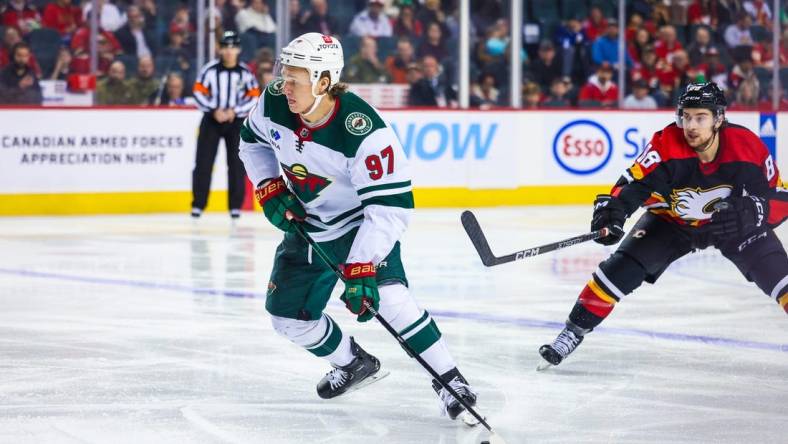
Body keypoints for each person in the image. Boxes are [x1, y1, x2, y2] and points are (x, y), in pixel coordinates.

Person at [237, 32, 478, 420]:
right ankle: (353, 363)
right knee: (288, 318)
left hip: (359, 227)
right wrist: (268, 184)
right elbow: (251, 140)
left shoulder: (364, 130)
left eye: (296, 77)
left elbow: (390, 208)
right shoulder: (273, 100)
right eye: (285, 73)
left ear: (323, 81)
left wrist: (362, 263)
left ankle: (451, 381)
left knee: (392, 301)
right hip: (308, 227)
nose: (285, 84)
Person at [538, 82, 788, 369]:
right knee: (620, 270)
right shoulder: (667, 143)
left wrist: (753, 210)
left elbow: (779, 198)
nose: (691, 126)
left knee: (779, 276)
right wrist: (614, 213)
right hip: (672, 222)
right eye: (686, 117)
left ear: (719, 118)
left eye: (700, 117)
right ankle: (572, 332)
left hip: (730, 224)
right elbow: (634, 184)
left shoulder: (747, 146)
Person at [191, 31, 260, 219]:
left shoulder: (245, 73)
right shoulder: (209, 70)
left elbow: (254, 96)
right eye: (225, 47)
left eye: (233, 47)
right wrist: (214, 110)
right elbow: (198, 92)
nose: (229, 51)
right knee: (203, 163)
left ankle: (235, 207)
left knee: (236, 164)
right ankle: (198, 205)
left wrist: (234, 112)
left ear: (238, 49)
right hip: (211, 120)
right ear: (219, 49)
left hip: (236, 122)